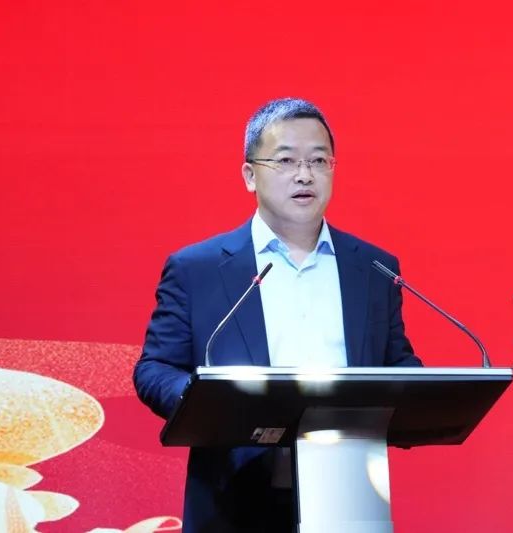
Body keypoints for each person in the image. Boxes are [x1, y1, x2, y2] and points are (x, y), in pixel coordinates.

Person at [133, 97, 421, 533]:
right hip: (234, 495)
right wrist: (209, 403)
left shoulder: (374, 268)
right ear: (250, 175)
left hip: (349, 490)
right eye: (286, 161)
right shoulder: (198, 269)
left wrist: (419, 394)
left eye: (318, 160)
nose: (305, 174)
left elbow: (396, 363)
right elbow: (155, 368)